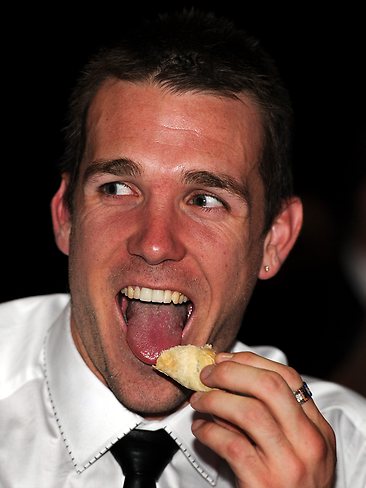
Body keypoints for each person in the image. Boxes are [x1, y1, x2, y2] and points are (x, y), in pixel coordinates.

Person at [0, 8, 365, 488]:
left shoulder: (351, 455)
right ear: (66, 217)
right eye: (116, 188)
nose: (154, 243)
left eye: (205, 200)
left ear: (273, 240)